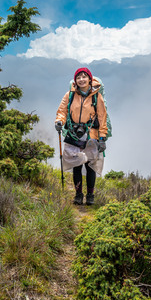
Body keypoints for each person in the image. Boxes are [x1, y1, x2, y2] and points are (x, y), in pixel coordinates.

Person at [55, 67, 108, 205]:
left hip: (91, 135)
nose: (81, 79)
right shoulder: (70, 95)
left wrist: (102, 138)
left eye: (84, 77)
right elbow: (62, 110)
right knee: (77, 166)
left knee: (90, 166)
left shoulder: (97, 97)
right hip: (74, 133)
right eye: (78, 77)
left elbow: (102, 117)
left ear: (90, 79)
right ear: (75, 80)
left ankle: (90, 195)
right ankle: (78, 195)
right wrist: (59, 121)